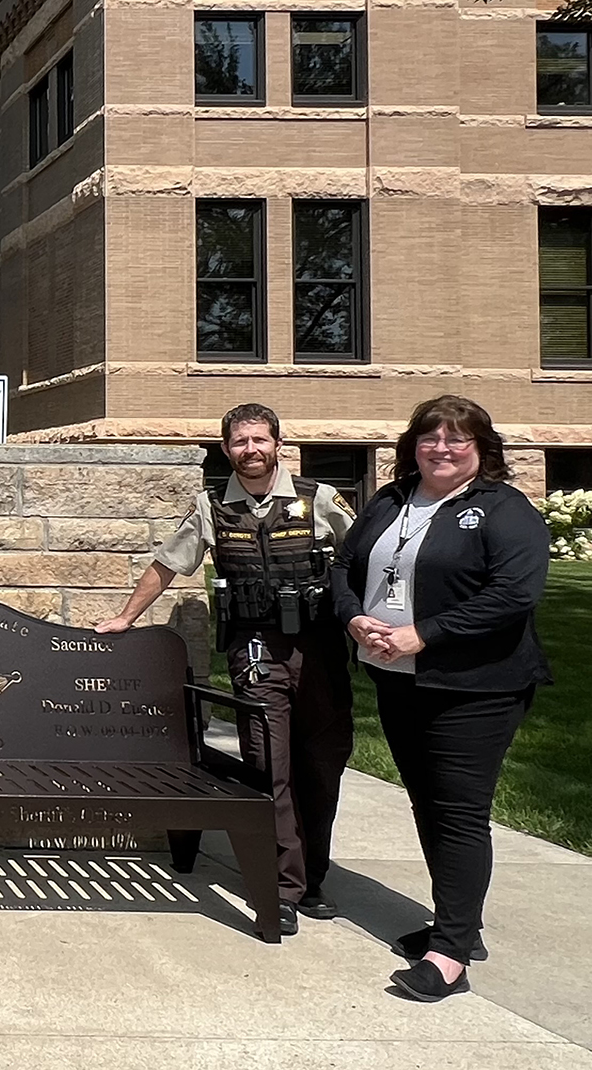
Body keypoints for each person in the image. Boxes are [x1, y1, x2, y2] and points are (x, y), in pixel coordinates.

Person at [98, 403, 356, 936]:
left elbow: (365, 560)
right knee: (269, 768)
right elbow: (168, 563)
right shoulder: (211, 507)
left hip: (320, 651)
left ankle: (314, 877)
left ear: (279, 444)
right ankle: (283, 888)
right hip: (256, 649)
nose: (251, 451)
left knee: (321, 767)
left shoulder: (320, 500)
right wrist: (125, 617)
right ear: (226, 449)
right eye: (240, 442)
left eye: (260, 440)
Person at [331, 395, 550, 1003]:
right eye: (430, 437)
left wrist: (424, 633)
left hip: (476, 687)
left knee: (457, 812)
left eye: (458, 439)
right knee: (428, 805)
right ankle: (458, 924)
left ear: (481, 449)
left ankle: (450, 955)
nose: (442, 448)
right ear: (413, 445)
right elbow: (345, 567)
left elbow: (514, 593)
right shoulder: (391, 501)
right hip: (399, 680)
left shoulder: (504, 510)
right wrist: (354, 619)